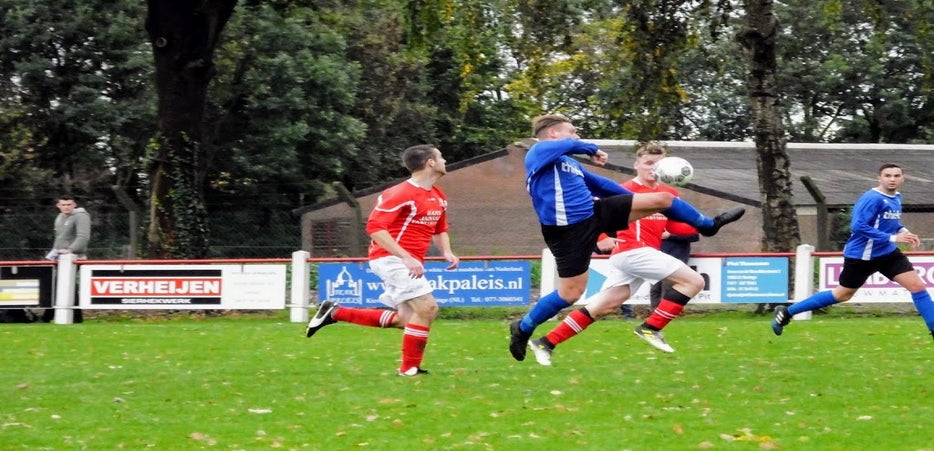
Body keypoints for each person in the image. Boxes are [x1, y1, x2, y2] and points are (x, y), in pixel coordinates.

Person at [510, 115, 746, 362]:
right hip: (567, 231)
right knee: (570, 294)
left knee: (664, 199)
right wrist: (592, 149)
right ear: (553, 133)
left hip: (594, 214)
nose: (576, 135)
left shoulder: (569, 163)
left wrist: (639, 201)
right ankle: (523, 328)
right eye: (572, 131)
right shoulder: (537, 152)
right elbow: (572, 145)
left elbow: (601, 185)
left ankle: (708, 225)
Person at [525, 142, 710, 365]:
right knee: (694, 281)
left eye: (658, 164)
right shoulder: (625, 189)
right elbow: (591, 211)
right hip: (633, 251)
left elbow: (680, 227)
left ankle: (546, 342)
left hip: (638, 255)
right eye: (648, 163)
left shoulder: (668, 194)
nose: (653, 168)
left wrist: (694, 227)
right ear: (636, 165)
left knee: (603, 307)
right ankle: (651, 327)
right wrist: (601, 237)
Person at [305, 144, 459, 376]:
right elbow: (375, 228)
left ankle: (335, 313)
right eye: (441, 157)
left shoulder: (438, 196)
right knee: (427, 307)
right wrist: (405, 257)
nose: (445, 161)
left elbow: (439, 229)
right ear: (430, 162)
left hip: (406, 261)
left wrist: (446, 251)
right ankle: (409, 369)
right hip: (391, 259)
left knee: (407, 319)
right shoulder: (401, 193)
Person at [772, 163, 934, 339]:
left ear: (902, 178)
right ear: (879, 178)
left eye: (896, 176)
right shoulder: (872, 198)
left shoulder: (896, 197)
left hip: (887, 253)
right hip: (862, 256)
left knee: (917, 287)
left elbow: (891, 223)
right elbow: (858, 226)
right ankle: (787, 312)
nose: (892, 179)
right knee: (842, 294)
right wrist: (893, 238)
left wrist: (904, 231)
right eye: (887, 176)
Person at [649, 230, 699, 310]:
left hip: (675, 259)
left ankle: (665, 312)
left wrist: (670, 235)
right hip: (657, 258)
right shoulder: (657, 223)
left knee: (668, 288)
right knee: (655, 289)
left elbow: (694, 236)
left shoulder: (685, 223)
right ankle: (655, 313)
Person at [48, 195, 91, 261]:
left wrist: (70, 250)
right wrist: (54, 251)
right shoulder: (59, 216)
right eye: (63, 205)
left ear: (74, 205)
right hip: (59, 255)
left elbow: (83, 236)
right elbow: (58, 237)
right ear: (58, 205)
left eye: (69, 204)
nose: (66, 207)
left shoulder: (81, 216)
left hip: (76, 257)